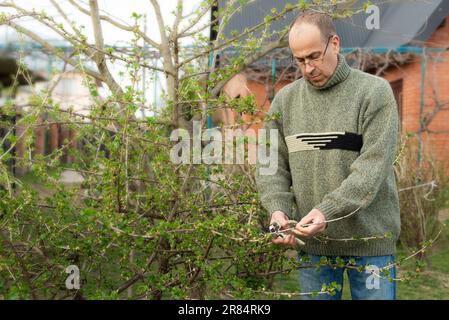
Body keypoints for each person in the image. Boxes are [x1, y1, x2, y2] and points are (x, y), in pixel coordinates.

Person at [255, 11, 401, 300]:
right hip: (314, 248)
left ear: (335, 43)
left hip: (370, 243)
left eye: (314, 56)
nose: (308, 68)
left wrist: (327, 211)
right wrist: (277, 210)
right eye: (299, 60)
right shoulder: (285, 101)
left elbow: (371, 168)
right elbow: (271, 165)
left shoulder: (374, 92)